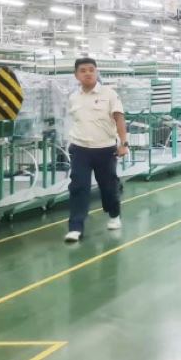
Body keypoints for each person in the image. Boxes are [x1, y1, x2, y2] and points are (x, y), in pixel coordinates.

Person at [64, 57, 127, 243]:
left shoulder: (109, 94)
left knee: (108, 187)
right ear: (76, 75)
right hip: (80, 149)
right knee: (78, 187)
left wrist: (124, 143)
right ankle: (75, 227)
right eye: (83, 70)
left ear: (97, 72)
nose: (88, 73)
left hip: (105, 149)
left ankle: (114, 215)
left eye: (91, 69)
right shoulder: (73, 97)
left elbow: (119, 118)